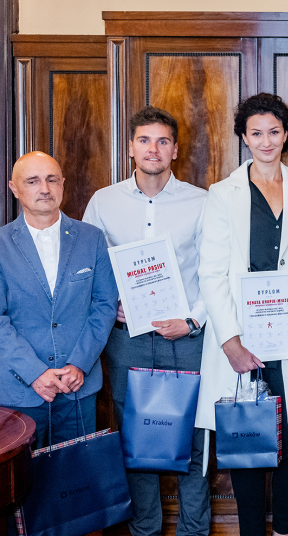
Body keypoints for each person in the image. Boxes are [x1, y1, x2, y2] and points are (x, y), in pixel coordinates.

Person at [196, 93, 288, 536]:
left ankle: (286, 529)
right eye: (256, 133)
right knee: (244, 443)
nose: (266, 140)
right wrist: (229, 341)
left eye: (274, 131)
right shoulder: (222, 194)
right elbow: (210, 272)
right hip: (242, 340)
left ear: (286, 135)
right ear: (244, 138)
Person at [84, 107, 211, 536]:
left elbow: (217, 272)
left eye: (162, 141)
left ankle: (195, 530)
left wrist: (191, 321)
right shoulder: (104, 201)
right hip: (128, 339)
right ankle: (146, 530)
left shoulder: (202, 201)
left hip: (187, 341)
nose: (152, 149)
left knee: (193, 440)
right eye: (144, 140)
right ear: (131, 147)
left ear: (175, 149)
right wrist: (112, 300)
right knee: (136, 443)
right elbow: (91, 267)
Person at [0, 152, 117, 442]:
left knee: (77, 484)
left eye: (52, 180)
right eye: (33, 181)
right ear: (14, 188)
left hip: (78, 388)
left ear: (62, 184)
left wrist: (80, 363)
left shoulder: (92, 238)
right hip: (20, 390)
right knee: (23, 485)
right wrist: (35, 372)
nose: (45, 189)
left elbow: (103, 306)